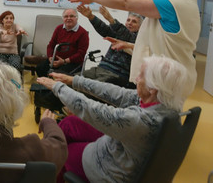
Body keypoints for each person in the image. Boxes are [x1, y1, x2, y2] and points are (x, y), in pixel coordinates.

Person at [37, 55, 195, 182]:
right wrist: (74, 80)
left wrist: (57, 87)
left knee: (61, 153)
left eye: (141, 76)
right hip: (121, 147)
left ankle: (52, 168)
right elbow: (117, 93)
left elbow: (92, 109)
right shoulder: (167, 103)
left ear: (152, 88)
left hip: (109, 169)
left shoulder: (139, 120)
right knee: (69, 124)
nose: (136, 79)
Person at [69, 0, 200, 84]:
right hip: (168, 74)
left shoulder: (174, 3)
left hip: (165, 77)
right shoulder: (186, 3)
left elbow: (126, 3)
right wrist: (128, 45)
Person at [77, 5, 143, 87]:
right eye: (128, 20)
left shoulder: (139, 39)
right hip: (101, 68)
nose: (130, 23)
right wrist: (91, 17)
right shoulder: (119, 33)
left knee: (86, 86)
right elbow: (105, 29)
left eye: (134, 21)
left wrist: (111, 19)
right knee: (73, 79)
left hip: (117, 75)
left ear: (140, 27)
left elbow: (126, 35)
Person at [36, 8, 89, 77]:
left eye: (72, 16)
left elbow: (81, 54)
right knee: (40, 68)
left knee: (59, 75)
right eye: (66, 16)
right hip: (56, 59)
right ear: (63, 18)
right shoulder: (59, 28)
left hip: (73, 63)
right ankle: (46, 86)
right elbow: (50, 45)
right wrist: (50, 57)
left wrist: (64, 61)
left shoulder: (83, 33)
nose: (68, 18)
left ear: (77, 18)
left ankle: (55, 87)